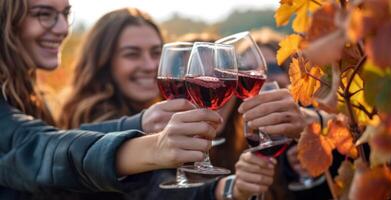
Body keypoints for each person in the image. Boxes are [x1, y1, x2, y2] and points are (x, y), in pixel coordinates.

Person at [0, 0, 223, 199]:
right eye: (44, 14)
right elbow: (38, 149)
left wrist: (140, 124)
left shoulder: (29, 95)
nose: (62, 28)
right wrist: (154, 146)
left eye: (65, 14)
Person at [58, 9, 278, 200]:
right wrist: (228, 189)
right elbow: (155, 191)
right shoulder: (96, 122)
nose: (150, 65)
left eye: (156, 53)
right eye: (132, 54)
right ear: (103, 62)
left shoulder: (161, 114)